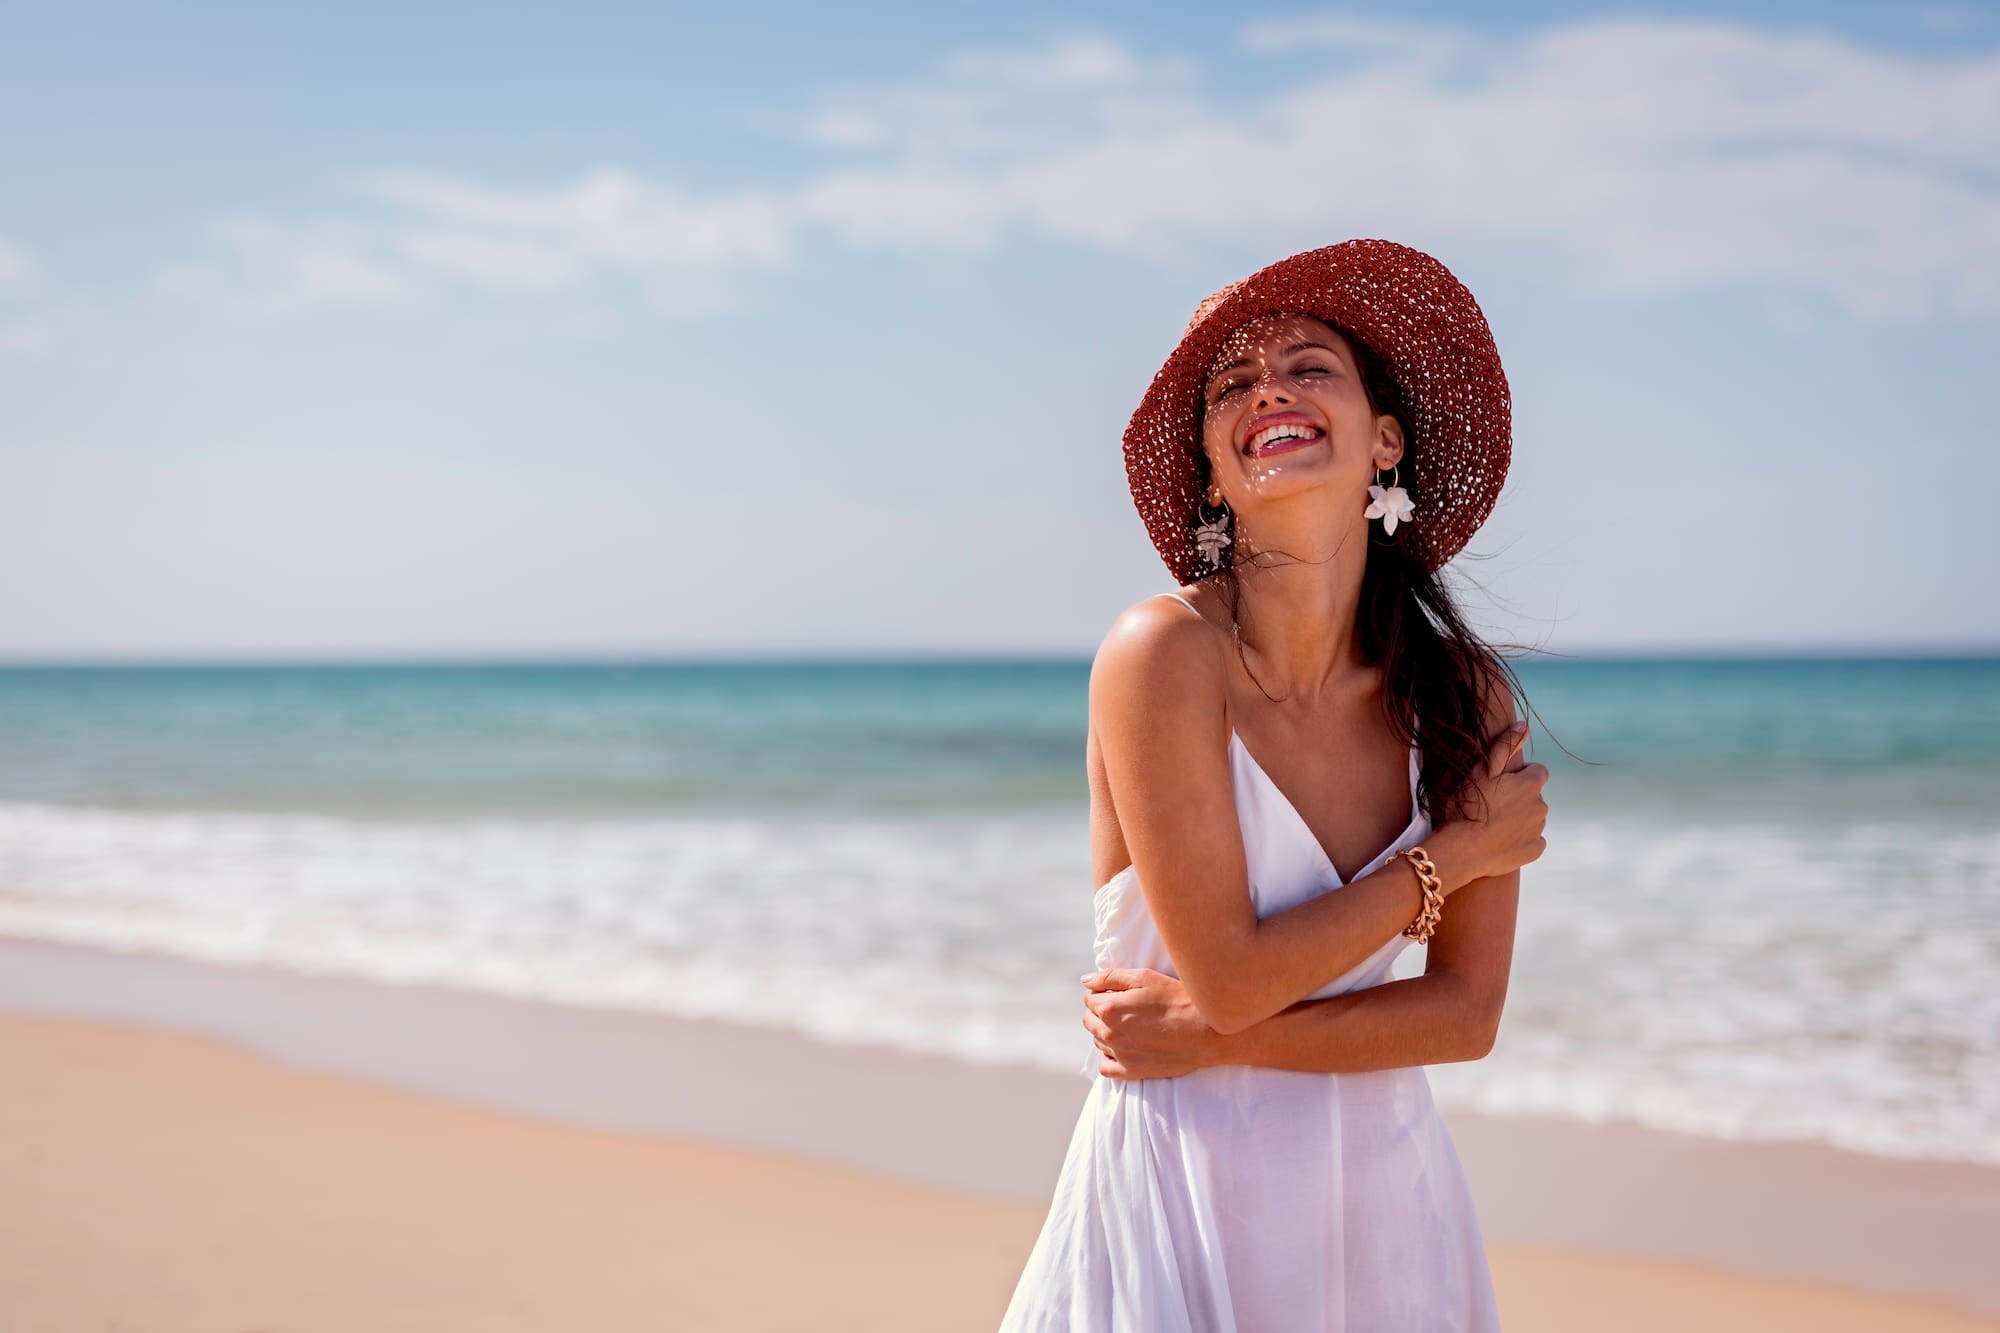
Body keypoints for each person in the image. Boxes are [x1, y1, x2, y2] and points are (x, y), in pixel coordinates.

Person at [997, 239, 1550, 1331]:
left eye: (1307, 366)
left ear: (1381, 439)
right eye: (1231, 386)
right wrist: (1449, 860)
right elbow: (1233, 975)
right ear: (1210, 466)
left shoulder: (1460, 694)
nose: (1269, 392)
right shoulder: (1159, 657)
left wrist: (1207, 1038)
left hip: (1387, 1212)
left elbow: (1463, 1014)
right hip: (1178, 1197)